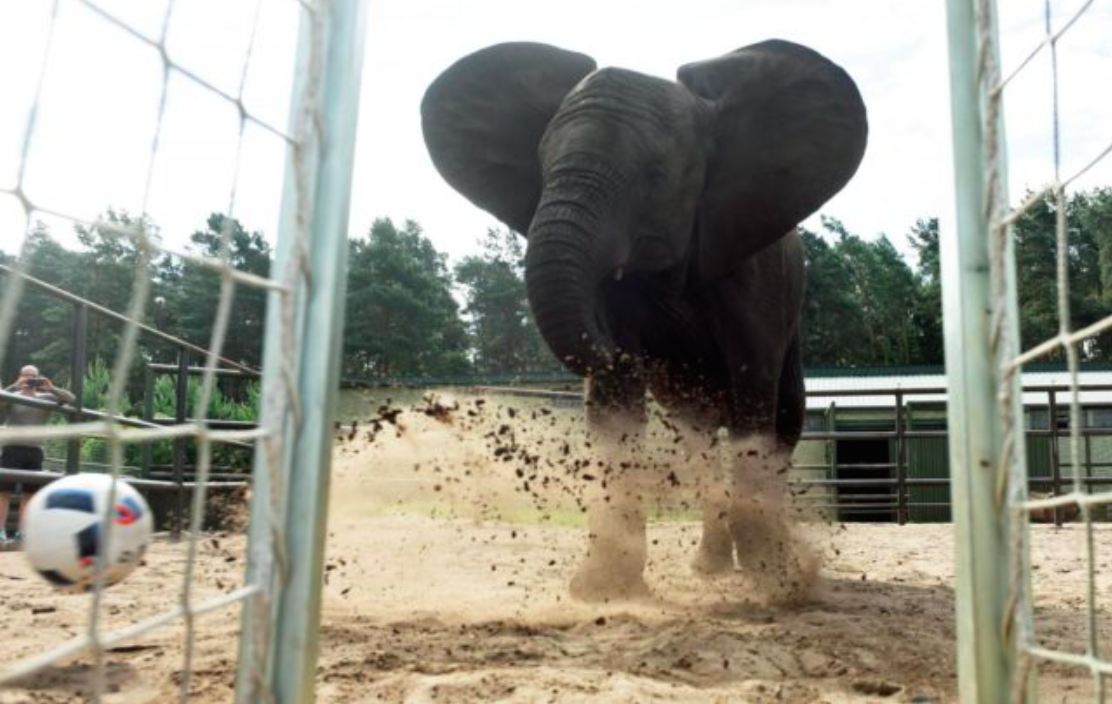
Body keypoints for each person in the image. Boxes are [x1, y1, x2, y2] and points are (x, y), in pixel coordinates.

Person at [0, 365, 76, 544]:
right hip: (12, 449)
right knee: (3, 493)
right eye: (26, 376)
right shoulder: (12, 396)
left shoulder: (47, 398)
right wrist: (14, 386)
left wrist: (52, 388)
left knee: (29, 495)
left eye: (33, 376)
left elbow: (72, 400)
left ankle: (22, 534)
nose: (29, 380)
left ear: (39, 378)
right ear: (20, 377)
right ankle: (1, 532)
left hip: (35, 452)